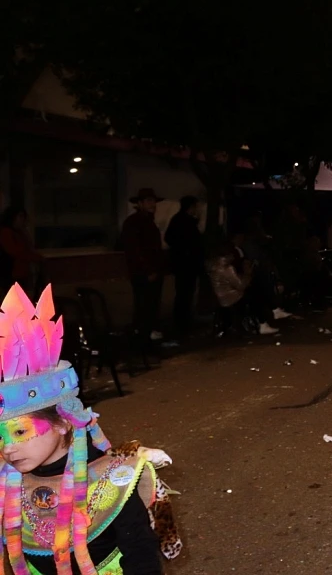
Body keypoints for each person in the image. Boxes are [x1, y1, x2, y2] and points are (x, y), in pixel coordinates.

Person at [0, 283, 181, 575]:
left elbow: (142, 560)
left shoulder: (113, 482)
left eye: (20, 432)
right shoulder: (7, 486)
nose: (7, 448)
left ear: (61, 422)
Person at [206, 237, 279, 335]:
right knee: (256, 295)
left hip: (221, 296)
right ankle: (262, 324)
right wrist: (248, 273)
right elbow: (240, 285)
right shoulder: (226, 267)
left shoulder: (213, 265)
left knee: (253, 292)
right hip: (232, 297)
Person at [120, 188, 166, 343]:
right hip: (144, 273)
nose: (153, 204)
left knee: (150, 304)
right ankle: (142, 336)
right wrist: (148, 270)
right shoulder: (134, 223)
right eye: (149, 201)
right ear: (139, 203)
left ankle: (147, 334)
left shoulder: (147, 222)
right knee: (144, 304)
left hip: (151, 271)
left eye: (153, 201)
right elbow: (134, 250)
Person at [163, 196, 204, 338]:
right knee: (184, 294)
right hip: (186, 264)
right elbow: (174, 239)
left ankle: (184, 321)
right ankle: (182, 323)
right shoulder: (183, 221)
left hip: (185, 264)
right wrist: (185, 251)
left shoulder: (182, 220)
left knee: (185, 293)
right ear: (190, 207)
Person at [0, 207, 43, 295]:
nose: (22, 219)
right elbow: (15, 251)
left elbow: (29, 248)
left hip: (22, 274)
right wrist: (35, 258)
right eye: (20, 216)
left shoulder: (21, 233)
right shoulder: (6, 232)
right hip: (11, 274)